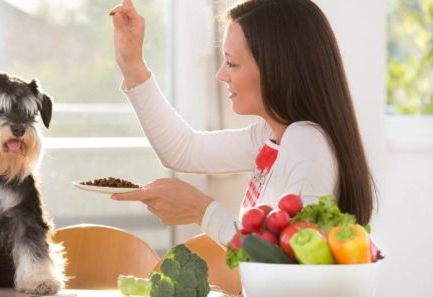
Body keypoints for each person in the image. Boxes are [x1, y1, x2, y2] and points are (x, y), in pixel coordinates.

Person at [109, 0, 375, 246]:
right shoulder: (272, 136)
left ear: (276, 68)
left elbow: (292, 264)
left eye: (232, 63)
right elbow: (183, 149)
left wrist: (201, 210)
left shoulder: (307, 144)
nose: (221, 74)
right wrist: (132, 64)